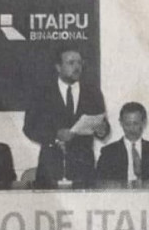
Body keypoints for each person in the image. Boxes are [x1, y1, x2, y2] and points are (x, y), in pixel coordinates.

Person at [23, 47, 108, 186]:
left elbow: (103, 127)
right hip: (51, 168)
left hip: (83, 169)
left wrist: (102, 130)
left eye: (79, 63)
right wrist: (55, 135)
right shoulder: (41, 92)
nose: (77, 67)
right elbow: (29, 127)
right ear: (58, 67)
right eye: (71, 63)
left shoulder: (93, 92)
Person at [96, 102, 149, 182]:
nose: (131, 129)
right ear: (121, 123)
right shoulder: (108, 153)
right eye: (127, 124)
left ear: (144, 122)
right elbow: (99, 184)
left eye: (135, 124)